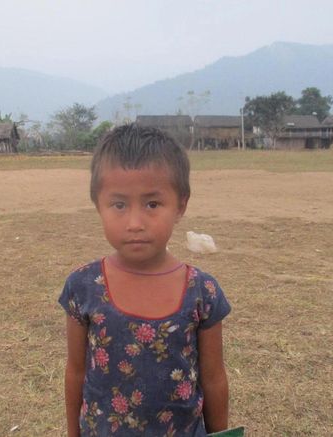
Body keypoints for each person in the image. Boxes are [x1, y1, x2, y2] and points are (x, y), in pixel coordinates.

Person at [59, 123, 231, 436]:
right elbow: (76, 372)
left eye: (152, 204)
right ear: (98, 204)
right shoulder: (82, 286)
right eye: (119, 205)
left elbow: (214, 379)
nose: (135, 223)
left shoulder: (202, 292)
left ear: (180, 205)